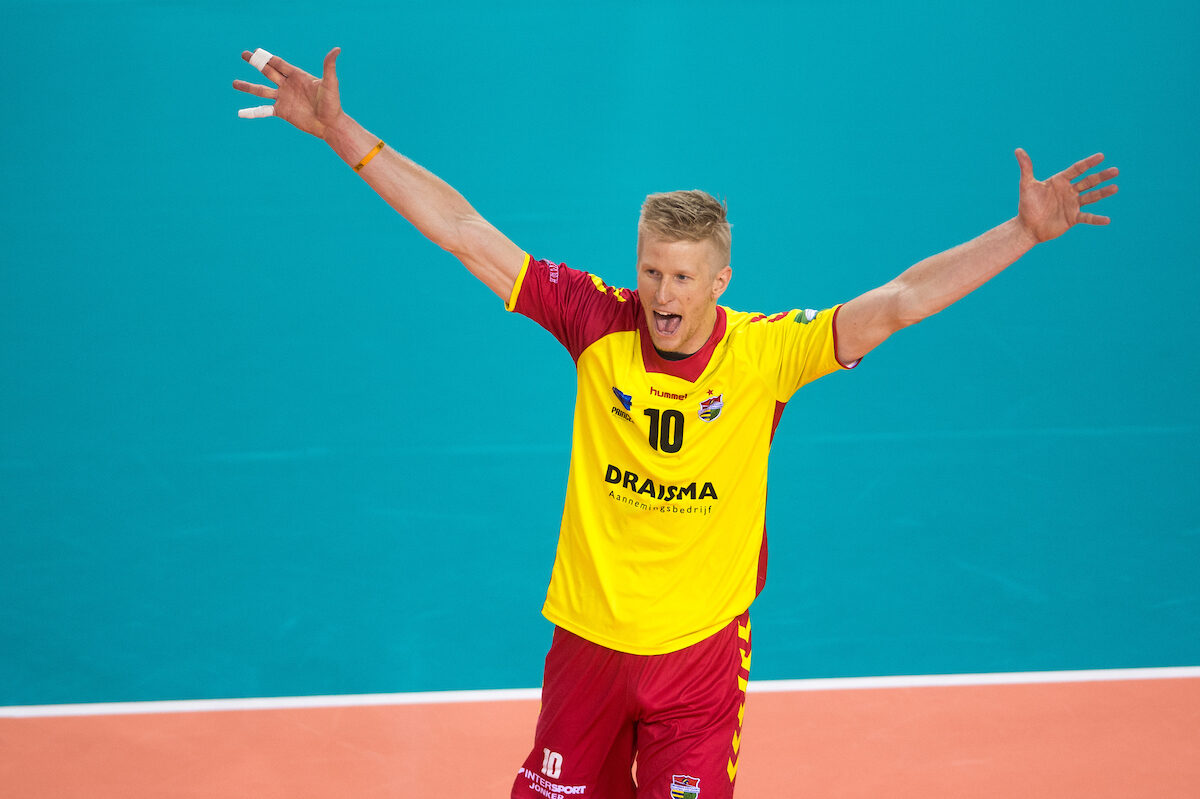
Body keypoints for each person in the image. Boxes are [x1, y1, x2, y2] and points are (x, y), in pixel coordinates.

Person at [233, 47, 1118, 799]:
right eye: (652, 270)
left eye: (684, 277)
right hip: (588, 643)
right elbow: (463, 230)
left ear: (720, 282)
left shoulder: (767, 354)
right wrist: (340, 132)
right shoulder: (593, 319)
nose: (663, 293)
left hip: (698, 663)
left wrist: (1020, 233)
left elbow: (900, 301)